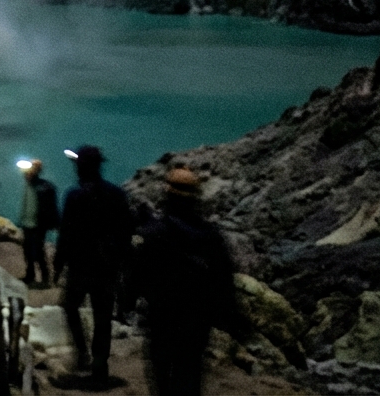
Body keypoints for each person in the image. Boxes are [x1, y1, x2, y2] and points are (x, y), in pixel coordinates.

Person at [133, 166, 241, 396]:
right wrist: (229, 316)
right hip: (196, 320)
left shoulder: (154, 232)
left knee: (162, 377)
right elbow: (223, 278)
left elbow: (138, 272)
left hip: (161, 317)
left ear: (168, 195)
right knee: (190, 373)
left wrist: (130, 300)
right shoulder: (210, 235)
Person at [54, 145, 133, 383]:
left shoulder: (74, 195)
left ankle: (82, 353)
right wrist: (120, 262)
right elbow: (126, 231)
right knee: (102, 318)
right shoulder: (116, 194)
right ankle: (100, 366)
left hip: (80, 266)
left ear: (82, 167)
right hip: (106, 268)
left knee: (70, 307)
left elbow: (66, 233)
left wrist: (58, 264)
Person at [19, 159, 59, 286]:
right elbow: (26, 204)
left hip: (38, 224)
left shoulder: (44, 186)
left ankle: (45, 279)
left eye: (32, 170)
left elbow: (50, 206)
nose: (27, 174)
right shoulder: (29, 185)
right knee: (27, 251)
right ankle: (30, 276)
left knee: (38, 252)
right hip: (27, 223)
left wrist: (53, 223)